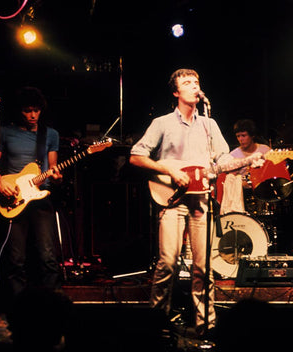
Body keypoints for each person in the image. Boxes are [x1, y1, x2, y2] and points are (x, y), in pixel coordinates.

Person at [129, 68, 231, 339]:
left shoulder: (210, 124)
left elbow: (223, 159)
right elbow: (136, 156)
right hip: (171, 200)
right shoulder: (162, 123)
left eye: (197, 82)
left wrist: (231, 166)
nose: (194, 86)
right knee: (168, 263)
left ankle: (205, 326)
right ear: (176, 92)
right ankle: (157, 323)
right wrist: (170, 171)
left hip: (201, 202)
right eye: (187, 83)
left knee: (204, 266)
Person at [0, 87, 63, 318]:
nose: (32, 115)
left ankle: (53, 309)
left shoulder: (50, 135)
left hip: (40, 200)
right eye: (28, 111)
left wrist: (56, 177)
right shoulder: (5, 133)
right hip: (14, 198)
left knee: (48, 256)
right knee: (15, 258)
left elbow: (52, 168)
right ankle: (18, 310)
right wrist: (1, 183)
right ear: (20, 111)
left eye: (36, 110)